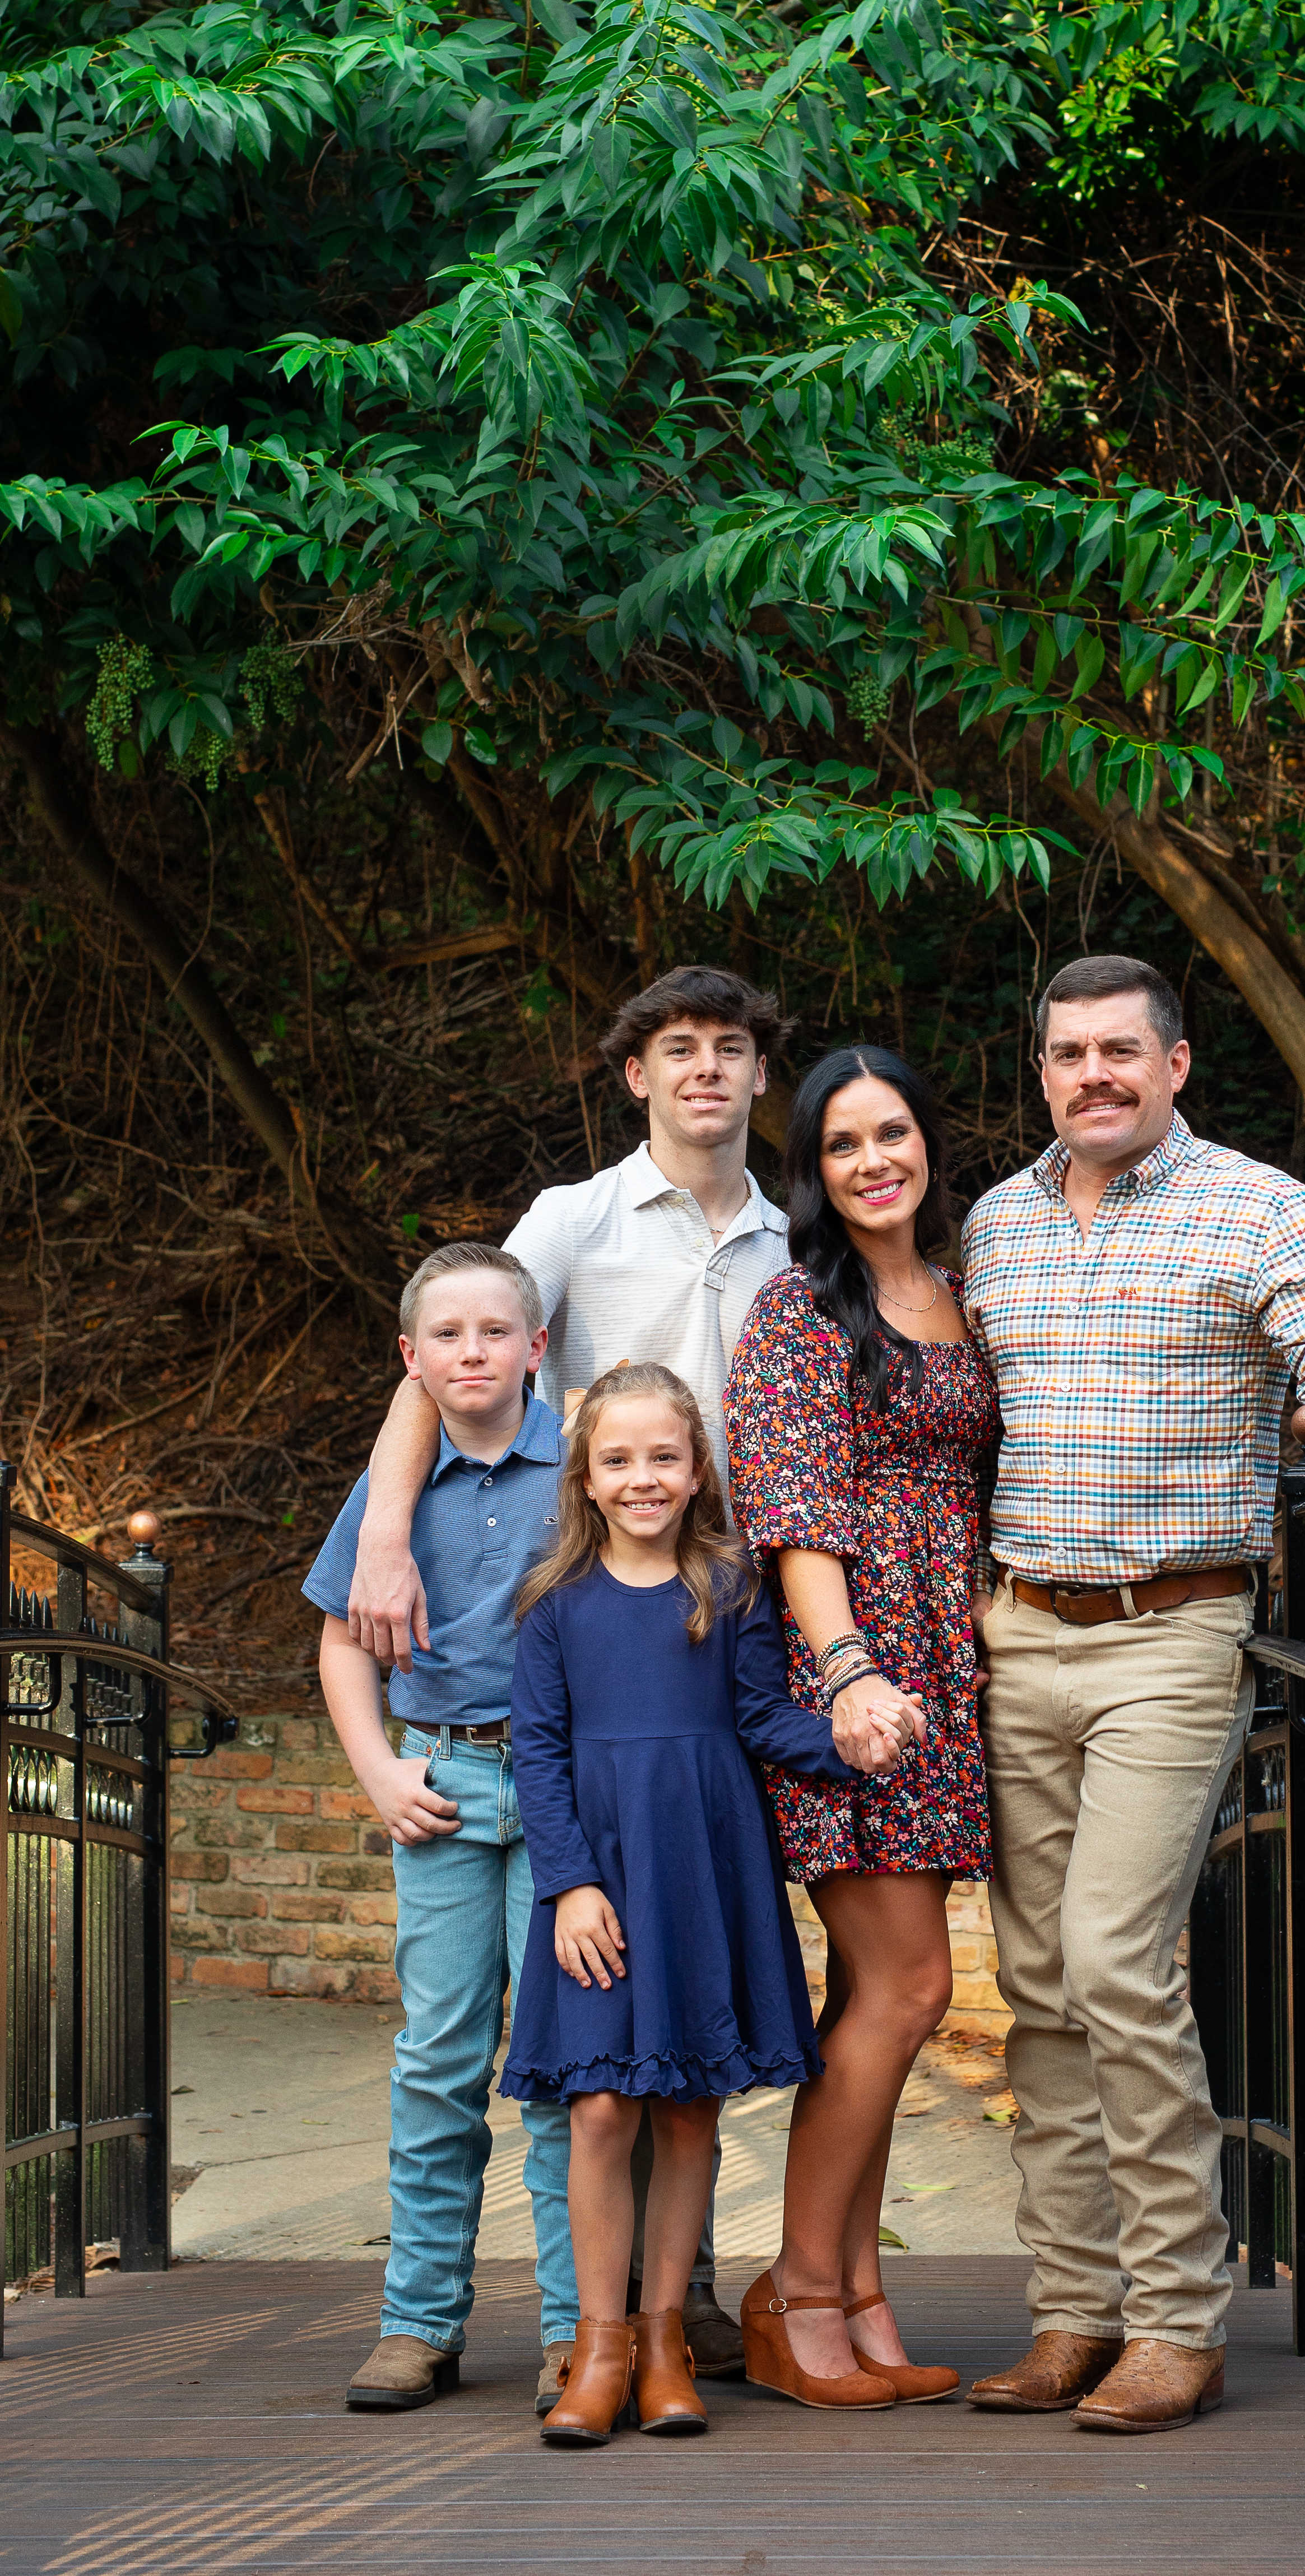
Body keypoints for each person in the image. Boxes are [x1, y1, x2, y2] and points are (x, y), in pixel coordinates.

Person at [960, 953, 1305, 2435]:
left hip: (1170, 1632)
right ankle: (1070, 2305)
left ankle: (1177, 2314)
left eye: (1118, 1051)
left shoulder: (1256, 1205)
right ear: (1040, 1069)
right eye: (1065, 1053)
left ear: (1174, 1065)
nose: (1090, 1074)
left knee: (1112, 1954)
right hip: (1014, 1627)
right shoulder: (994, 1220)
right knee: (1033, 1981)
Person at [343, 966, 791, 2383]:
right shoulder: (571, 1227)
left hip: (713, 1637)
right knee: (507, 2049)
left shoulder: (799, 1236)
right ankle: (518, 2318)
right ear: (637, 1075)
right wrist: (389, 1537)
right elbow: (450, 1362)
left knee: (666, 2017)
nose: (707, 1071)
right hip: (577, 1657)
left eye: (731, 1050)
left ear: (760, 1076)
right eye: (678, 1050)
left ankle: (656, 2308)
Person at [503, 1363, 877, 2443]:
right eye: (617, 1459)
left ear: (697, 1466)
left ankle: (668, 2345)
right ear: (584, 1473)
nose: (642, 1477)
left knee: (685, 2110)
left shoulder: (731, 1586)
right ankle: (598, 2346)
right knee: (601, 2108)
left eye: (664, 1456)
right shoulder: (554, 1607)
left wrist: (853, 1741)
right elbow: (537, 1753)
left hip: (704, 1871)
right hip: (601, 1884)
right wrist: (569, 1882)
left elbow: (764, 1719)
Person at [723, 1046, 999, 2408]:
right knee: (904, 1992)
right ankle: (799, 2296)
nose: (875, 1160)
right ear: (814, 1172)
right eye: (844, 1145)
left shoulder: (953, 1294)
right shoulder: (798, 1309)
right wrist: (846, 1679)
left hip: (949, 1665)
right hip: (869, 1677)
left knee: (878, 2006)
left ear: (926, 1143)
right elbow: (792, 1517)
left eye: (894, 1132)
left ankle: (852, 2290)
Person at [304, 1240, 576, 2415]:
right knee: (439, 2061)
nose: (474, 1352)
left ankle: (579, 2326)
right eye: (448, 1337)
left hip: (566, 1800)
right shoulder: (389, 1499)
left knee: (565, 2069)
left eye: (495, 1332)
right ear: (412, 1361)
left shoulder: (579, 1468)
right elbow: (340, 1646)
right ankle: (420, 2321)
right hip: (442, 1793)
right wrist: (377, 1771)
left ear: (537, 1347)